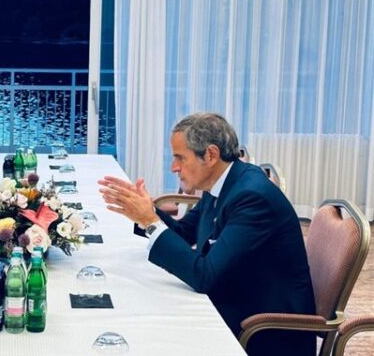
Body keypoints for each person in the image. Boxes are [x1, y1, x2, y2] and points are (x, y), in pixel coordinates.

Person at [99, 113, 315, 356]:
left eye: (180, 158)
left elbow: (205, 276)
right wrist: (146, 213)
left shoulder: (252, 197)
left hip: (264, 332)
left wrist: (151, 222)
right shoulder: (224, 183)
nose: (173, 168)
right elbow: (184, 233)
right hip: (236, 299)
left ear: (211, 155)